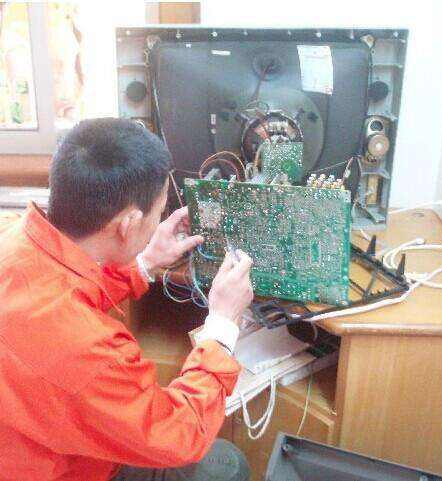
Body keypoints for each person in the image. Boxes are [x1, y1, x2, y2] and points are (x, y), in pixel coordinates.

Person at [0, 118, 254, 481]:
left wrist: (144, 262)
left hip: (27, 439)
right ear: (127, 223)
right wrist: (222, 326)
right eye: (158, 212)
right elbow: (180, 436)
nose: (157, 222)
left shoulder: (14, 235)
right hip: (64, 470)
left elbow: (62, 292)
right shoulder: (90, 352)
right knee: (227, 466)